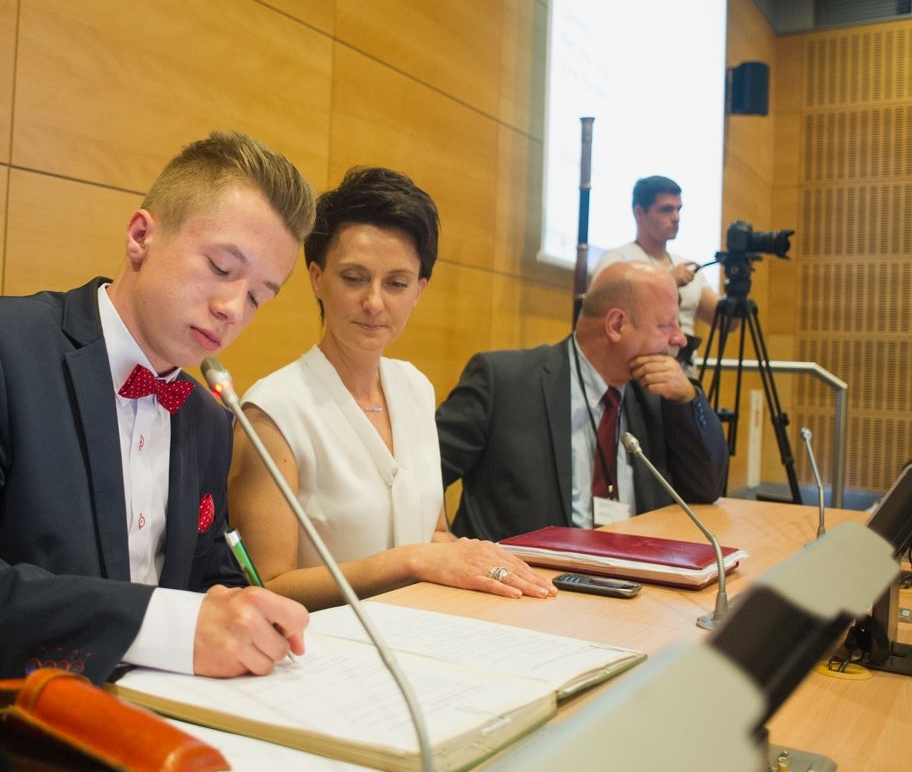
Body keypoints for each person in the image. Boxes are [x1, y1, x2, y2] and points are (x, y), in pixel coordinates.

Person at [0, 132, 316, 728]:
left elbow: (207, 581)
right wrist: (162, 624)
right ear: (141, 236)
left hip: (148, 726)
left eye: (257, 297)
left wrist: (245, 611)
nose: (232, 308)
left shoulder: (207, 419)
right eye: (221, 268)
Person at [226, 167, 554, 611]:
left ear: (419, 290)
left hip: (426, 627)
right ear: (317, 278)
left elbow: (433, 534)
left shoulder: (414, 387)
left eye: (396, 284)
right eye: (354, 278)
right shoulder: (273, 410)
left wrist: (488, 566)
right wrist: (409, 561)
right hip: (327, 641)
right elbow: (269, 586)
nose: (374, 302)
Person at [437, 261, 728, 541]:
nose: (680, 339)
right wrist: (446, 544)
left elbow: (706, 490)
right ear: (616, 325)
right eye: (666, 325)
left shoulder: (657, 394)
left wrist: (688, 400)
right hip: (522, 572)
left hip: (634, 569)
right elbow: (424, 472)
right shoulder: (503, 382)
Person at [595, 175, 718, 338]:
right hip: (640, 354)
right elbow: (603, 315)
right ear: (639, 213)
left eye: (678, 209)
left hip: (685, 354)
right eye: (666, 209)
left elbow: (725, 322)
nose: (676, 217)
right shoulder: (617, 260)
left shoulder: (687, 267)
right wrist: (669, 280)